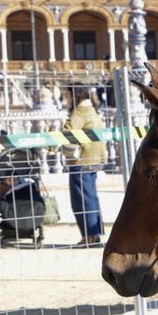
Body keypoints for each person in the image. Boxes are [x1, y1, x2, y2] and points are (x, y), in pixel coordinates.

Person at [62, 85, 106, 246]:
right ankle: (95, 233)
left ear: (75, 95)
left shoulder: (79, 113)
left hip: (81, 160)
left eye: (67, 95)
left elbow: (68, 133)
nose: (66, 99)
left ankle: (89, 235)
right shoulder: (93, 111)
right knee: (91, 197)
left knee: (81, 199)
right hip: (95, 159)